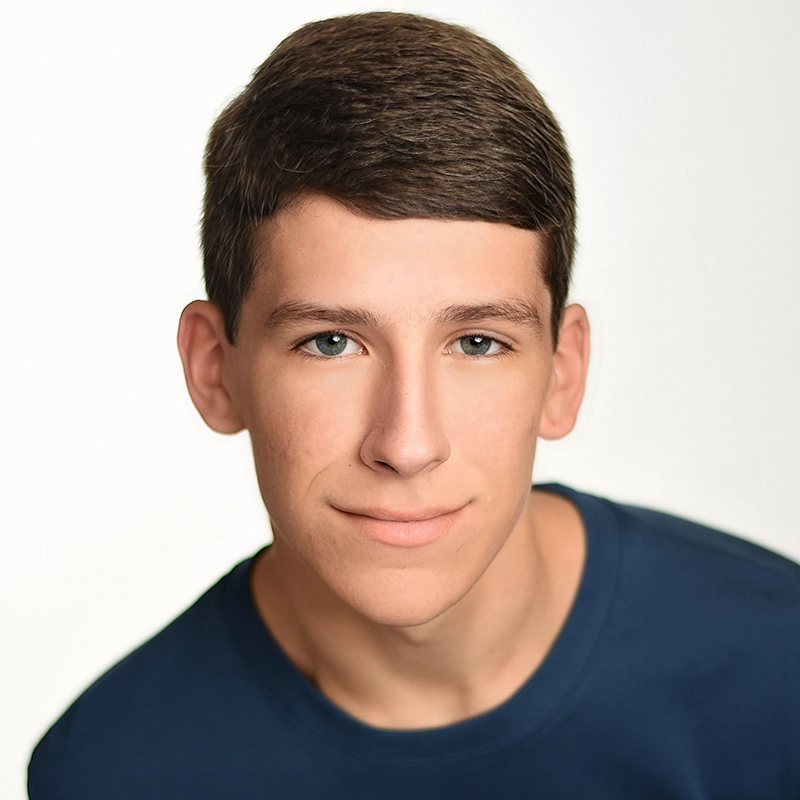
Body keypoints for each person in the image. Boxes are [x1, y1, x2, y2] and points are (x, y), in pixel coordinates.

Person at [28, 11, 799, 798]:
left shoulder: (781, 667)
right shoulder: (111, 771)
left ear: (561, 374)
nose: (407, 443)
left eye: (477, 343)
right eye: (330, 342)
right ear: (214, 370)